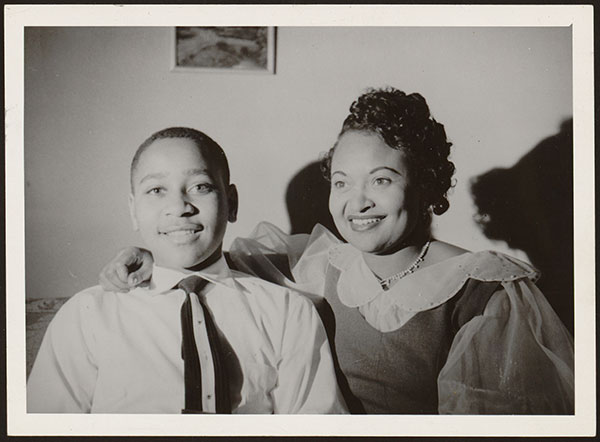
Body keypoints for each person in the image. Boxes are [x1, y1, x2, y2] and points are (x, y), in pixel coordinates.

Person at [100, 89, 574, 414]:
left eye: (382, 180)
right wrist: (147, 253)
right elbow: (213, 261)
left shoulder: (479, 289)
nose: (357, 202)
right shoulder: (323, 262)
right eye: (342, 182)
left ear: (425, 185)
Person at [27, 127, 347, 414]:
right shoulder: (87, 315)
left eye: (200, 187)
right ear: (133, 210)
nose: (180, 207)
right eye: (156, 191)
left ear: (231, 203)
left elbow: (316, 423)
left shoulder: (288, 312)